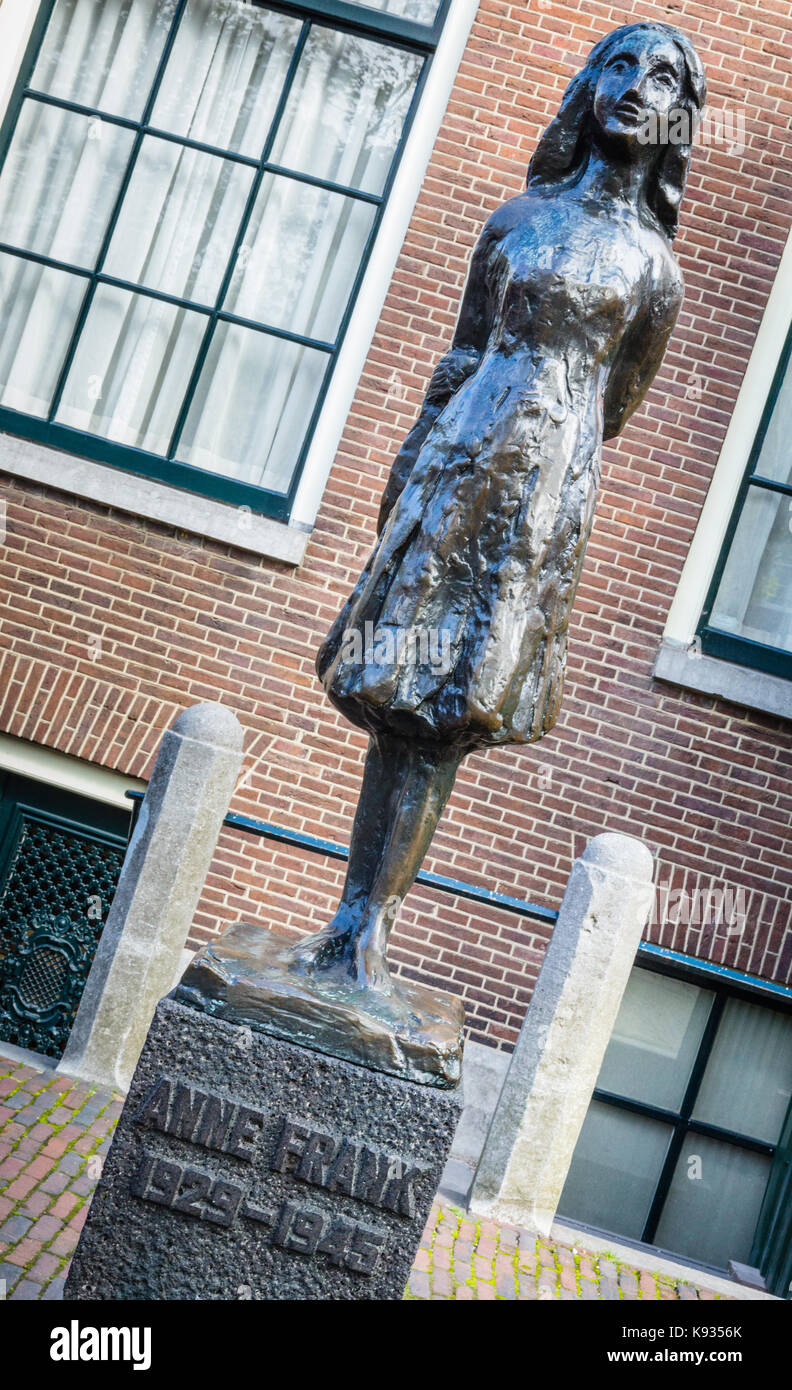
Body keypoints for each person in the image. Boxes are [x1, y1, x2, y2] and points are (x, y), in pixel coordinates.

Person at [296, 22, 706, 993]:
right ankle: (347, 918)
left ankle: (369, 933)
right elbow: (457, 353)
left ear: (679, 121)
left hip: (535, 505)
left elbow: (613, 408)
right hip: (453, 464)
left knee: (447, 711)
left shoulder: (657, 271)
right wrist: (408, 462)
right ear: (586, 85)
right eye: (617, 65)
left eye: (660, 81)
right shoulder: (516, 218)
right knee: (398, 691)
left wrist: (536, 465)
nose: (634, 89)